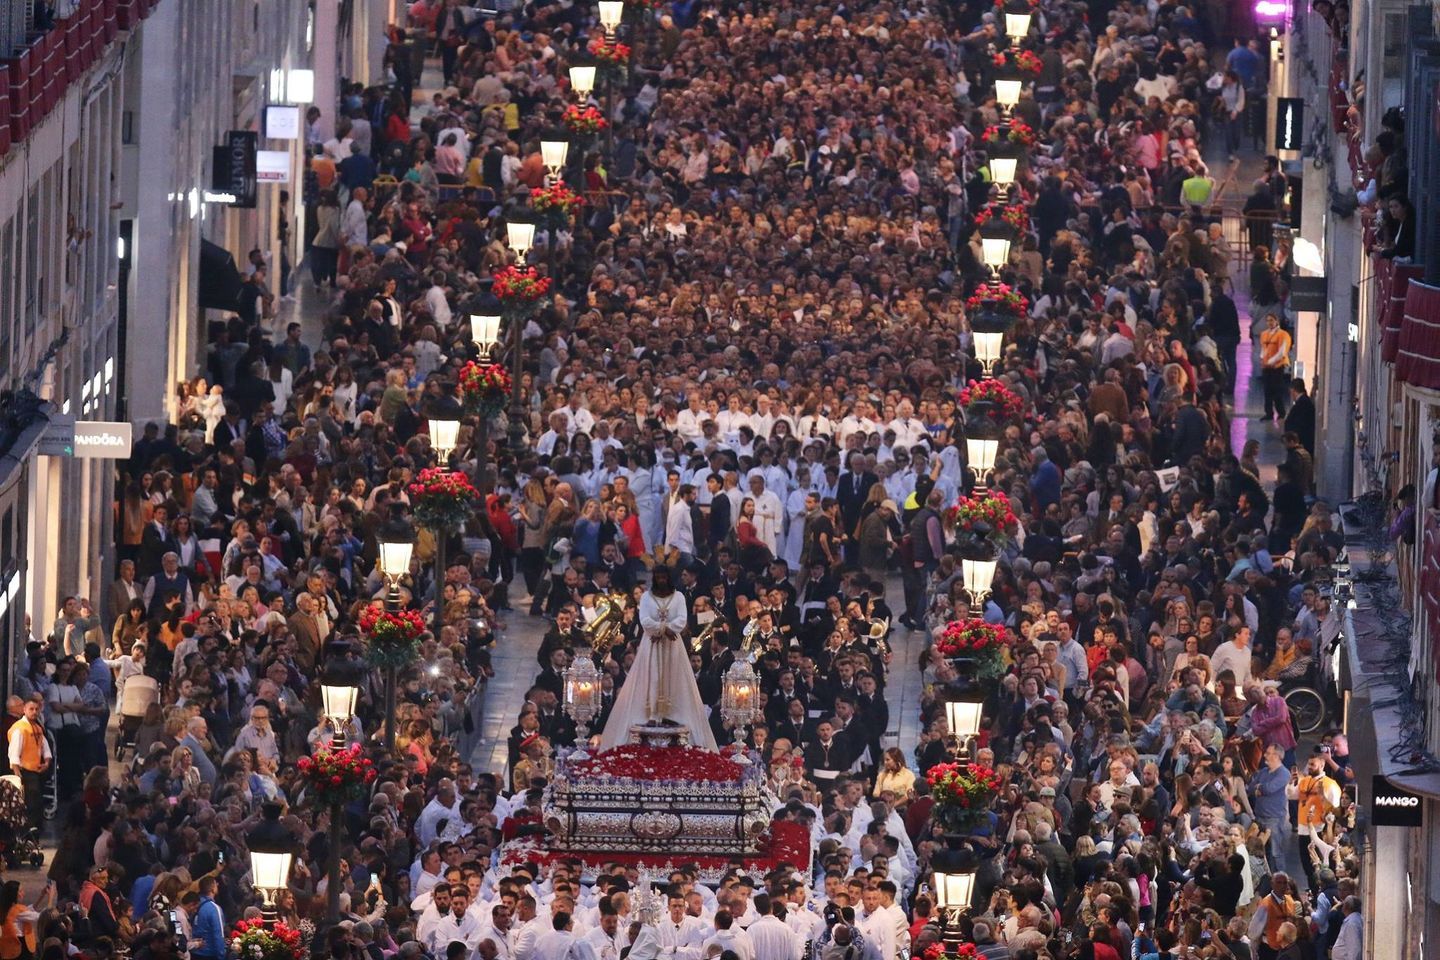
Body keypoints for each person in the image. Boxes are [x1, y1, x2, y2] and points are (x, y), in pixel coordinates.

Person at [597, 567, 715, 750]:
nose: (661, 580)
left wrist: (667, 630)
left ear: (669, 578)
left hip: (673, 645)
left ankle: (672, 712)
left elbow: (682, 619)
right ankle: (652, 713)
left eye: (664, 576)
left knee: (673, 677)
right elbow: (644, 619)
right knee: (651, 677)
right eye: (658, 577)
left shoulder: (679, 597)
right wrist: (661, 629)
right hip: (651, 645)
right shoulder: (646, 598)